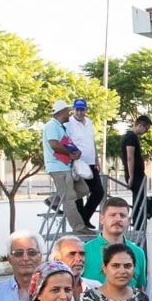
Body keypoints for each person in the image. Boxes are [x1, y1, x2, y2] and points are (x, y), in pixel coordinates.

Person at [42, 98, 89, 234]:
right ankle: (79, 227)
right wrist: (70, 154)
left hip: (65, 167)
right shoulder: (52, 125)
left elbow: (65, 143)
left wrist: (75, 152)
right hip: (58, 168)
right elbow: (54, 144)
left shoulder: (60, 127)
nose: (69, 114)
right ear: (61, 112)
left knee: (84, 189)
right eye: (67, 111)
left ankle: (54, 200)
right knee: (69, 199)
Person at [82, 197, 146, 289]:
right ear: (102, 219)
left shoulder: (138, 253)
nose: (117, 219)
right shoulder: (84, 251)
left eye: (122, 215)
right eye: (112, 215)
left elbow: (140, 289)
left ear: (128, 221)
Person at [65, 97, 103, 228]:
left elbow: (91, 141)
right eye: (77, 110)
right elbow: (66, 141)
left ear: (86, 110)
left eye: (82, 110)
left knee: (98, 191)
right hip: (78, 163)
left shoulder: (89, 122)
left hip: (90, 163)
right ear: (73, 110)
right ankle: (80, 223)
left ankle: (84, 218)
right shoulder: (68, 123)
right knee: (80, 192)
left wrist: (97, 159)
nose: (79, 112)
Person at [120, 114, 151, 218]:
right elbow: (130, 157)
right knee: (139, 200)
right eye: (146, 129)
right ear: (140, 125)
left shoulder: (129, 136)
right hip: (136, 175)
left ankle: (138, 222)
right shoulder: (131, 138)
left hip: (136, 174)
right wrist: (131, 175)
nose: (145, 132)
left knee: (139, 199)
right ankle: (138, 224)